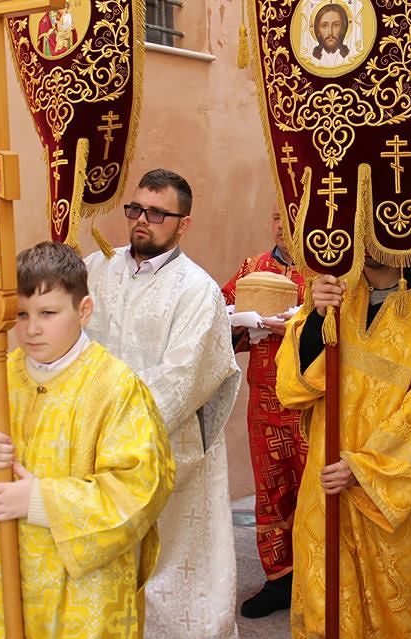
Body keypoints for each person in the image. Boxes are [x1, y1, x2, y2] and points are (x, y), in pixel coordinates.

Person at [0, 241, 175, 638]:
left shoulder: (115, 388)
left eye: (48, 313)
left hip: (82, 596)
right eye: (21, 314)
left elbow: (141, 488)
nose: (32, 328)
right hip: (2, 582)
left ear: (83, 310)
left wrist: (42, 502)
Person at [275, 258, 411, 637]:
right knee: (326, 595)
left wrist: (362, 468)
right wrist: (317, 316)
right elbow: (296, 386)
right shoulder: (333, 292)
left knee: (402, 603)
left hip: (387, 488)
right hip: (325, 474)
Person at [85, 169, 242, 638]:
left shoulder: (198, 290)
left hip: (167, 453)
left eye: (157, 213)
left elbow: (182, 378)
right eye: (135, 209)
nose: (141, 221)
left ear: (183, 223)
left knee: (170, 576)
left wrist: (109, 421)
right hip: (95, 449)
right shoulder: (96, 268)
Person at [221, 208, 308, 618]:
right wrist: (242, 321)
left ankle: (317, 576)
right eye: (276, 215)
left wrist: (294, 326)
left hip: (310, 403)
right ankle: (279, 578)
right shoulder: (253, 268)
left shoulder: (323, 271)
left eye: (291, 215)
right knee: (271, 490)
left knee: (313, 492)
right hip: (265, 401)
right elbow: (219, 312)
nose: (281, 224)